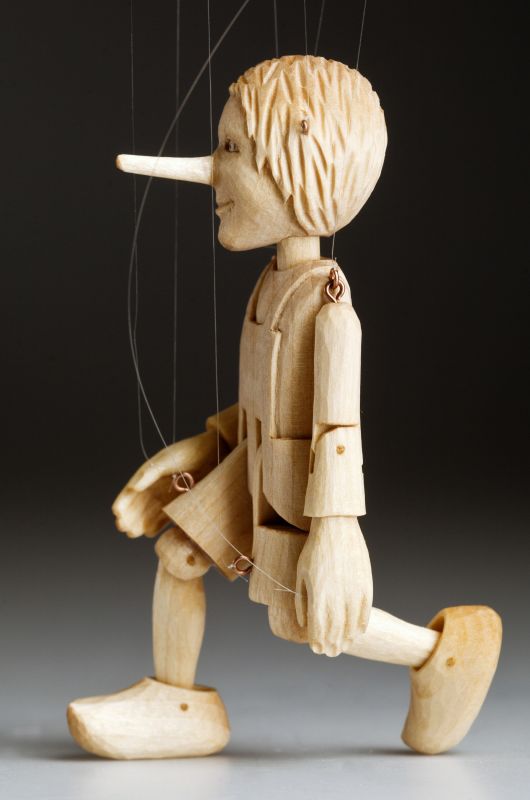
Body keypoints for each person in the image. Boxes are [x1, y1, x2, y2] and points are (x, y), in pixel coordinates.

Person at [67, 56, 501, 760]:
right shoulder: (272, 284)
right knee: (180, 551)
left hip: (298, 492)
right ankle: (180, 701)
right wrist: (195, 453)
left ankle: (443, 654)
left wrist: (337, 533)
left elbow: (337, 428)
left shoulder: (329, 309)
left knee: (318, 618)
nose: (212, 171)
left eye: (231, 149)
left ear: (302, 158)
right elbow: (261, 403)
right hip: (252, 470)